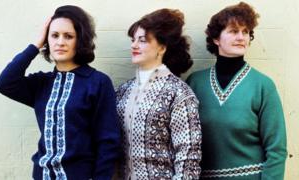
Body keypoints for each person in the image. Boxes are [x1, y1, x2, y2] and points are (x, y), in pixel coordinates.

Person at [0, 5, 120, 180]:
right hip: (42, 175)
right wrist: (36, 44)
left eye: (68, 36)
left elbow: (108, 141)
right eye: (54, 35)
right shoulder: (41, 83)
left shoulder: (97, 82)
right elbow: (4, 83)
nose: (60, 42)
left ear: (80, 40)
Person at [186, 2, 287, 179]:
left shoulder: (263, 85)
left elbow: (277, 149)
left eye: (246, 32)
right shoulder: (195, 83)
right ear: (216, 39)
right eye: (233, 31)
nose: (241, 37)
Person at [115, 8, 202, 179]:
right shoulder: (122, 91)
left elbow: (188, 157)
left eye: (142, 40)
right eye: (133, 40)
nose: (134, 45)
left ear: (161, 47)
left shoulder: (179, 93)